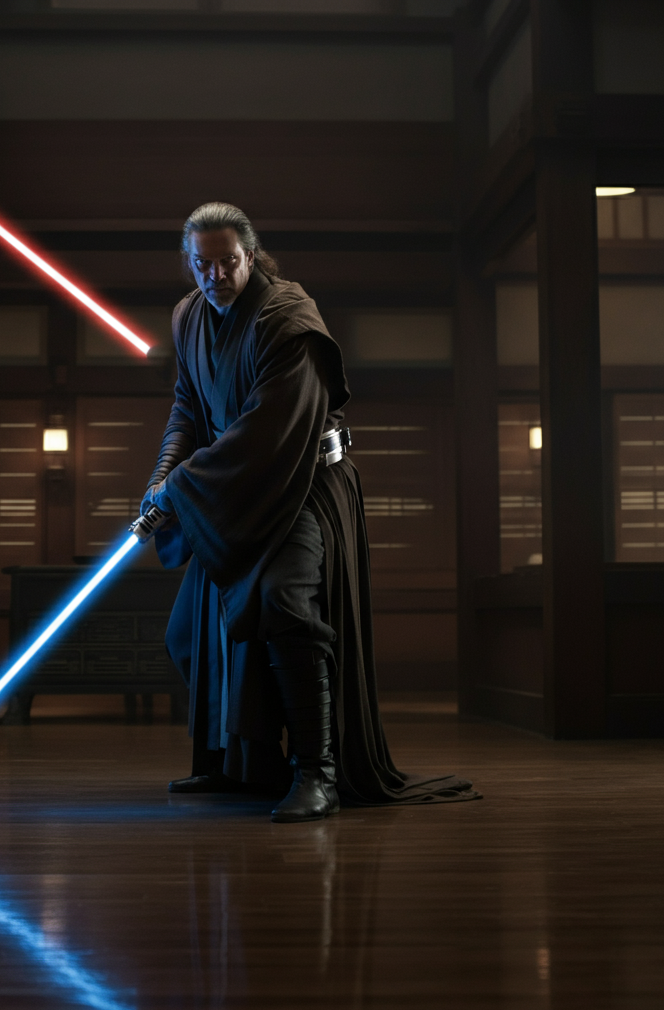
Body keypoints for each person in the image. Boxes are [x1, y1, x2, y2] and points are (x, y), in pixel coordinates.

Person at [142, 202, 478, 823]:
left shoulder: (288, 316)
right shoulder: (188, 315)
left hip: (301, 482)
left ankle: (316, 773)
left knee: (283, 604)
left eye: (228, 262)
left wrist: (182, 488)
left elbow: (267, 431)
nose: (215, 276)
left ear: (251, 256)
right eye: (202, 264)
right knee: (190, 628)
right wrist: (163, 475)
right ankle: (247, 763)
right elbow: (188, 407)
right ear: (189, 264)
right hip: (235, 488)